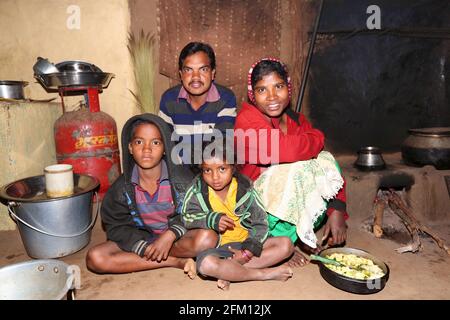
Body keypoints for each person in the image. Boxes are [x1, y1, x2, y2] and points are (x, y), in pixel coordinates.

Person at [234, 58, 349, 266]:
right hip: (252, 208)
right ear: (252, 95)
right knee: (294, 169)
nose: (272, 97)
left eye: (278, 87)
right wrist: (317, 137)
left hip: (282, 203)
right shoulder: (246, 119)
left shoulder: (296, 120)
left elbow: (324, 159)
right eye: (262, 90)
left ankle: (295, 236)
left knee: (325, 160)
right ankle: (276, 243)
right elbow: (286, 150)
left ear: (288, 88)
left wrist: (337, 208)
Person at [86, 114, 218, 276]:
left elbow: (197, 213)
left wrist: (170, 235)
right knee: (95, 258)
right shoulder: (121, 189)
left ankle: (162, 254)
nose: (146, 149)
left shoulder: (182, 181)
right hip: (142, 239)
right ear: (130, 148)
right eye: (139, 142)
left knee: (208, 238)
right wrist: (141, 246)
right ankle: (174, 261)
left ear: (165, 149)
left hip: (177, 240)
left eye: (155, 143)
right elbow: (116, 226)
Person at [181, 141, 294, 290]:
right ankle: (263, 274)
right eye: (207, 170)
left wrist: (247, 252)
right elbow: (186, 217)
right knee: (205, 265)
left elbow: (261, 222)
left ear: (233, 168)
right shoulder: (196, 190)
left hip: (247, 243)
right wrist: (211, 220)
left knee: (286, 245)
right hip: (219, 249)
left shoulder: (245, 188)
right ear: (201, 170)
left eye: (222, 169)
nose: (215, 177)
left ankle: (230, 272)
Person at [158, 42, 237, 165]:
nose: (196, 77)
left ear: (212, 73)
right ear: (181, 74)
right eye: (188, 70)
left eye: (203, 69)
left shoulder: (225, 99)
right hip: (178, 170)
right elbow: (166, 144)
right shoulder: (169, 99)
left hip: (212, 171)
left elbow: (221, 145)